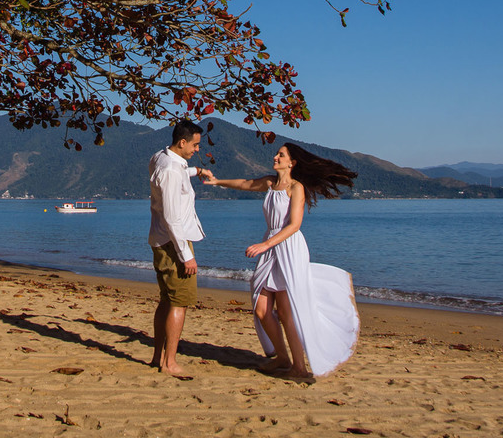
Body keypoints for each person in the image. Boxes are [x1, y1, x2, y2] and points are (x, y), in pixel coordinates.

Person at [202, 143, 358, 378]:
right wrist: (218, 182)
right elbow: (245, 184)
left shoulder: (296, 188)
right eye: (277, 154)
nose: (275, 157)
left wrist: (265, 244)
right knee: (262, 309)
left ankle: (299, 367)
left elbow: (295, 225)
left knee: (286, 312)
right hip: (270, 246)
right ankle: (282, 358)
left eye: (281, 155)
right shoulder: (269, 183)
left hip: (288, 248)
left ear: (292, 163)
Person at [148, 118, 210, 376]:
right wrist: (187, 256)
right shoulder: (172, 171)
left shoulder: (160, 157)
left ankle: (157, 357)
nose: (197, 149)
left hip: (161, 240)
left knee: (166, 300)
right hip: (175, 243)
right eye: (194, 145)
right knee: (179, 303)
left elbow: (176, 171)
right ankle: (170, 363)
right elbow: (173, 218)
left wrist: (197, 171)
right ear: (182, 142)